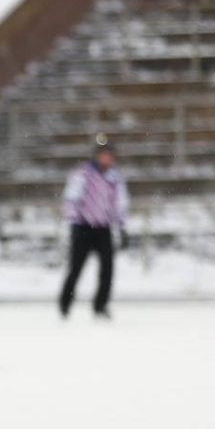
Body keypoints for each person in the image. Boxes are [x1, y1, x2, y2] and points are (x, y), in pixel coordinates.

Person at [58, 134, 129, 319]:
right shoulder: (82, 174)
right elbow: (71, 199)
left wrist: (121, 226)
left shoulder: (114, 178)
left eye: (109, 154)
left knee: (107, 269)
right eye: (103, 154)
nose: (106, 158)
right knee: (76, 268)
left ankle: (101, 305)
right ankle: (65, 304)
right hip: (83, 228)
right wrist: (74, 220)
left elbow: (119, 203)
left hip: (103, 228)